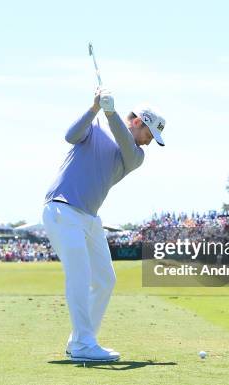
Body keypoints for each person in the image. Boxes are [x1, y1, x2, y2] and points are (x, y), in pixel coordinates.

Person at [42, 88, 166, 362]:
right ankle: (85, 344)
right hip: (62, 209)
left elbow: (125, 142)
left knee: (105, 279)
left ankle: (80, 340)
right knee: (80, 274)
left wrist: (110, 113)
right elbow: (70, 135)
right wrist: (95, 108)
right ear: (137, 122)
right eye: (148, 135)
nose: (147, 143)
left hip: (89, 218)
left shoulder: (134, 156)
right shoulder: (95, 128)